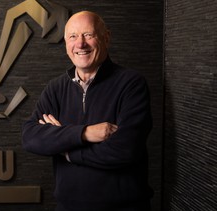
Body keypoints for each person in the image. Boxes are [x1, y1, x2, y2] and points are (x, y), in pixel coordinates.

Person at [21, 11, 153, 211]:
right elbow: (31, 137)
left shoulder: (131, 84)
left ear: (106, 38)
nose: (80, 44)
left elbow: (125, 150)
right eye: (73, 36)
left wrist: (66, 150)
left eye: (88, 35)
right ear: (66, 43)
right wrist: (84, 133)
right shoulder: (55, 88)